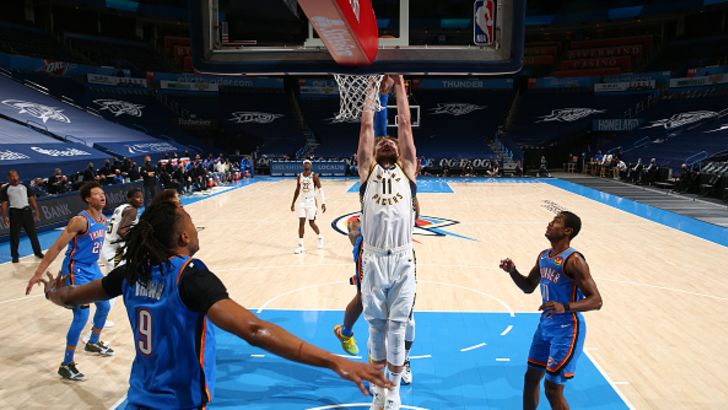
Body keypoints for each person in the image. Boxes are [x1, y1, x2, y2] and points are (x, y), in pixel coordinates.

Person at [37, 200, 389, 408]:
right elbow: (254, 329)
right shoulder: (188, 276)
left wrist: (51, 293)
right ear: (183, 237)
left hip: (139, 398)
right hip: (178, 403)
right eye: (192, 223)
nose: (196, 228)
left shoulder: (129, 273)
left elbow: (70, 296)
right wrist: (334, 360)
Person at [498, 211, 603, 410]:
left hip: (567, 329)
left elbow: (596, 301)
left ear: (567, 231)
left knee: (552, 389)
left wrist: (565, 306)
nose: (550, 223)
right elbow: (528, 286)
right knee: (531, 378)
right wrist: (512, 272)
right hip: (545, 326)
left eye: (556, 221)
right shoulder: (544, 256)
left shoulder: (574, 260)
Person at [357, 74, 417, 410]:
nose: (387, 143)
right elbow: (367, 126)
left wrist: (399, 83)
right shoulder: (367, 171)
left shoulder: (408, 168)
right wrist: (372, 85)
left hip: (403, 259)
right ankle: (378, 390)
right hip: (374, 258)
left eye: (391, 142)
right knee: (376, 328)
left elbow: (405, 124)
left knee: (397, 328)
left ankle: (392, 392)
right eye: (382, 142)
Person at [25, 182, 112, 381]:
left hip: (92, 267)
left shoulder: (104, 219)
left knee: (105, 306)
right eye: (96, 194)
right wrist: (38, 273)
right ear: (87, 199)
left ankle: (93, 342)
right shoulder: (80, 221)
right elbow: (57, 247)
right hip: (76, 269)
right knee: (82, 316)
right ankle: (66, 364)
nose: (102, 196)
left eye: (103, 193)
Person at [333, 215, 416, 386]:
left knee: (405, 317)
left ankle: (404, 359)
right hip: (372, 253)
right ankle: (349, 337)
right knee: (372, 311)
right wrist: (358, 234)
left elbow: (415, 210)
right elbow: (353, 225)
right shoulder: (369, 208)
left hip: (400, 253)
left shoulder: (404, 201)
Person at [1, 170, 44, 263]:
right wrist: (4, 217)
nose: (15, 178)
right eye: (12, 176)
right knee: (14, 236)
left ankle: (38, 252)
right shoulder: (5, 189)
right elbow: (4, 204)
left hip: (26, 212)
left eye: (16, 176)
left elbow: (31, 198)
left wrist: (36, 210)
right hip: (14, 213)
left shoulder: (25, 186)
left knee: (32, 234)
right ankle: (15, 256)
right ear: (9, 178)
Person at [101, 188, 143, 270]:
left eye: (142, 197)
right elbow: (121, 231)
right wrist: (136, 241)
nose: (141, 199)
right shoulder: (131, 210)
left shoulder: (121, 207)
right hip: (113, 248)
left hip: (108, 244)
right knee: (120, 274)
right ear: (130, 199)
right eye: (137, 197)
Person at [290, 160, 326, 254]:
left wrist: (323, 202)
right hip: (302, 202)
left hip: (311, 202)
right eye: (305, 163)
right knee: (301, 222)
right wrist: (293, 203)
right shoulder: (299, 176)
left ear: (310, 165)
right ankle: (301, 245)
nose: (306, 164)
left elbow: (320, 190)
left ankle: (320, 236)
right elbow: (297, 190)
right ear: (303, 165)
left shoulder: (314, 176)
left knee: (311, 222)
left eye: (308, 163)